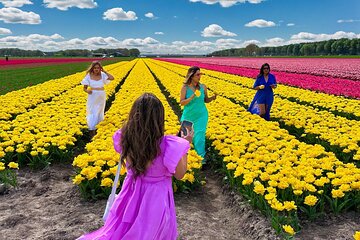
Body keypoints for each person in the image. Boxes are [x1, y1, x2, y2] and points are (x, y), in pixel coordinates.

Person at [77, 93, 194, 240]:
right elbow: (180, 174)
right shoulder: (168, 145)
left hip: (131, 191)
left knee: (125, 228)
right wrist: (185, 145)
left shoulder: (125, 138)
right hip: (155, 196)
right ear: (159, 118)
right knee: (150, 232)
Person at [180, 66, 216, 162]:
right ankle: (186, 162)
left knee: (199, 138)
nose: (200, 76)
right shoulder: (185, 88)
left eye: (200, 74)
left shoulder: (203, 87)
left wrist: (212, 98)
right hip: (188, 116)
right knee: (186, 139)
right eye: (198, 74)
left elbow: (205, 100)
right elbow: (182, 102)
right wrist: (192, 97)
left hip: (201, 115)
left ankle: (201, 160)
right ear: (191, 76)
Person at [81, 61, 114, 138]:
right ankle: (91, 131)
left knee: (99, 112)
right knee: (92, 112)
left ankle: (98, 131)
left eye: (98, 68)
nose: (96, 69)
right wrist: (87, 91)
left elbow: (112, 78)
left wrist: (104, 71)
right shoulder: (88, 76)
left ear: (100, 69)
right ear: (92, 68)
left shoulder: (102, 75)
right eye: (95, 68)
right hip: (92, 96)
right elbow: (84, 88)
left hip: (101, 96)